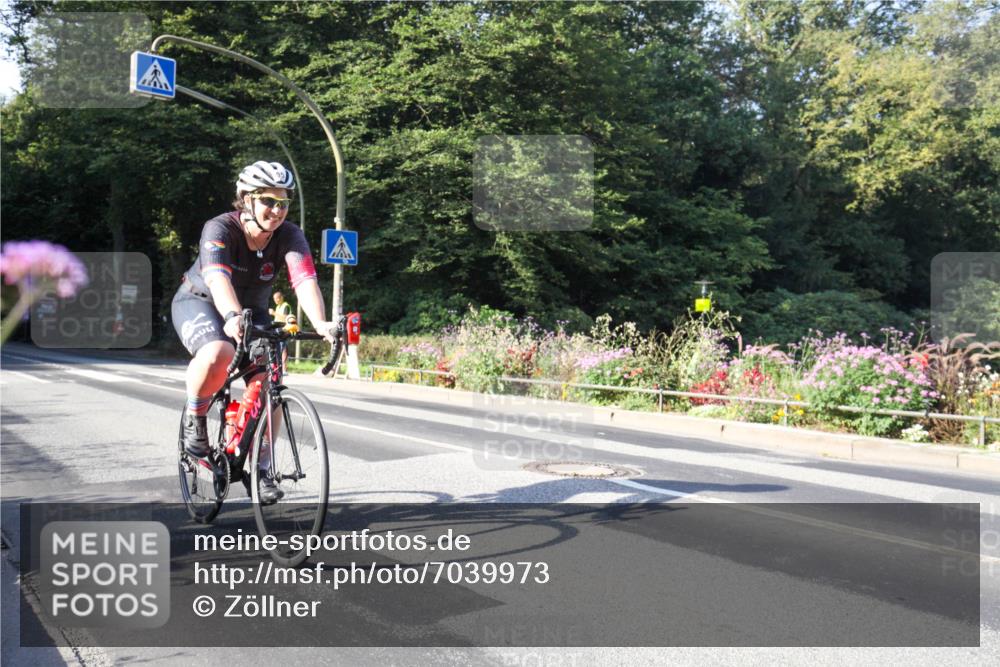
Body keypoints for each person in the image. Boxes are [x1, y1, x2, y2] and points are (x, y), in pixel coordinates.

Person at [171, 161, 337, 503]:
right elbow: (218, 278)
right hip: (202, 301)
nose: (277, 210)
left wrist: (321, 324)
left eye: (283, 202)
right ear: (246, 199)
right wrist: (231, 316)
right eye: (268, 201)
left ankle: (261, 469)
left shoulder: (289, 235)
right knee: (219, 353)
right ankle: (195, 417)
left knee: (270, 379)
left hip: (254, 311)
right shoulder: (220, 228)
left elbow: (304, 280)